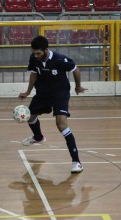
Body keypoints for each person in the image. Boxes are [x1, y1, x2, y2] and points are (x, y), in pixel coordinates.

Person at [19, 35, 87, 173]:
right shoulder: (34, 58)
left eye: (38, 53)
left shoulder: (60, 59)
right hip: (42, 93)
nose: (36, 55)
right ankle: (38, 137)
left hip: (60, 93)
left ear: (46, 50)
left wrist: (78, 86)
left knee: (61, 124)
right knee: (30, 117)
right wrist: (27, 92)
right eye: (34, 52)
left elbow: (75, 69)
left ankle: (76, 162)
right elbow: (33, 74)